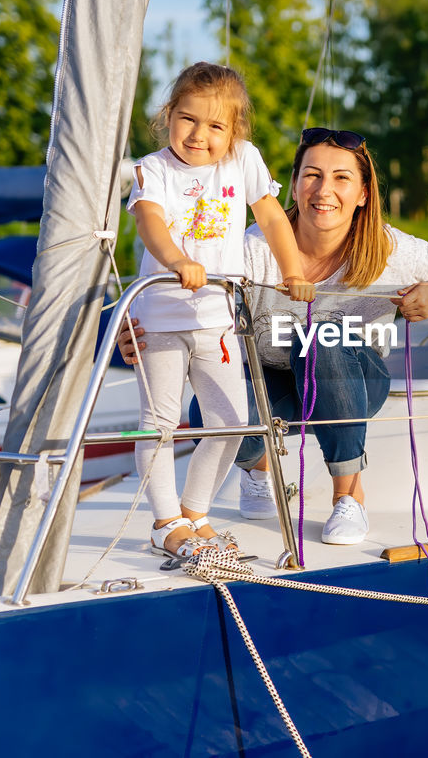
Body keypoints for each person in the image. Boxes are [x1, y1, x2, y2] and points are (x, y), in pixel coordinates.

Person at [120, 127, 428, 545]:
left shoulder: (388, 250)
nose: (323, 189)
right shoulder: (252, 250)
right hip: (271, 381)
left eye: (342, 178)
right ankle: (258, 470)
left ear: (364, 193)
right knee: (210, 417)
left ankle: (349, 496)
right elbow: (189, 294)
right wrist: (138, 327)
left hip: (351, 381)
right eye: (311, 175)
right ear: (293, 185)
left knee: (322, 335)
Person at [127, 62, 313, 560]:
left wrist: (293, 270)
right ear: (169, 115)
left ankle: (195, 512)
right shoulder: (153, 168)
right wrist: (177, 261)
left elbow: (272, 217)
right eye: (188, 119)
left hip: (218, 319)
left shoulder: (243, 160)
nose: (199, 135)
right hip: (162, 317)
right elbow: (150, 221)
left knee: (230, 422)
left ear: (234, 131)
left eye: (215, 126)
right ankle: (165, 523)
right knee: (159, 422)